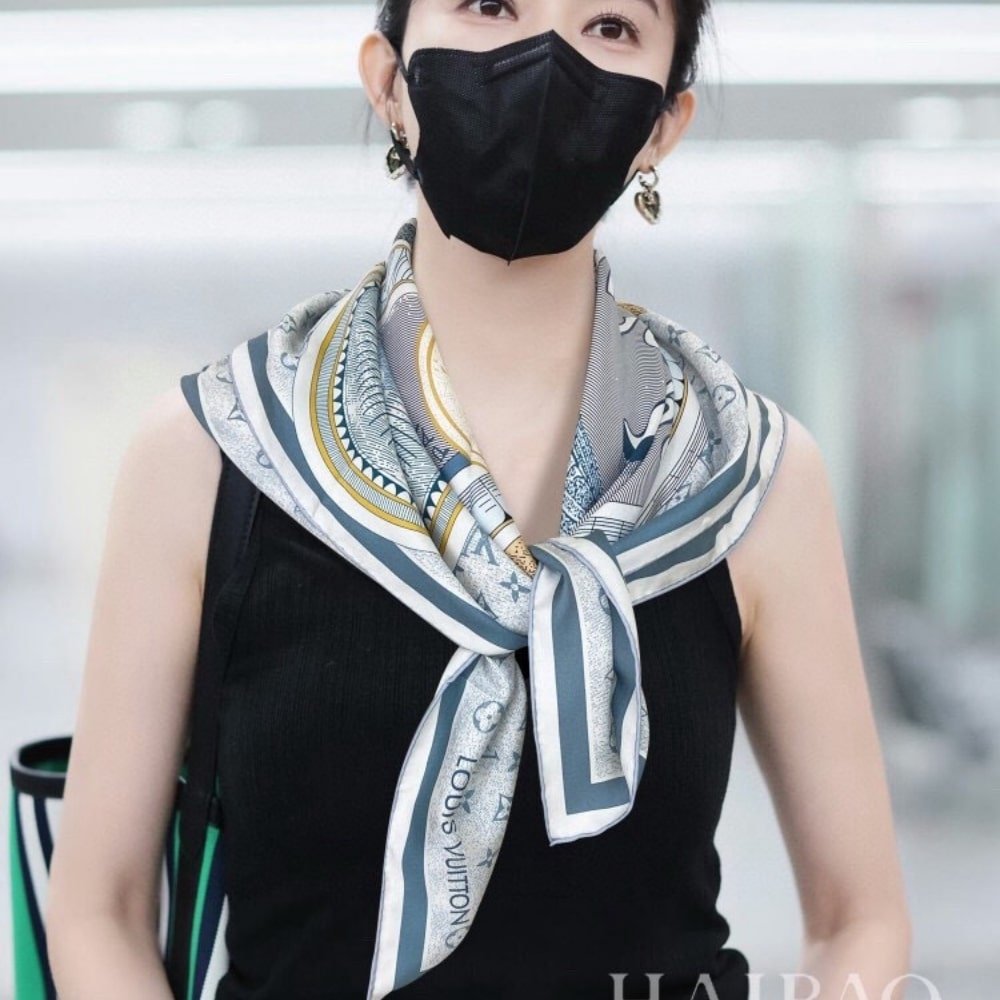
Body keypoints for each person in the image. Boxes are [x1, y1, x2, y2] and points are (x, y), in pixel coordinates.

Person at [46, 0, 912, 996]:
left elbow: (861, 917)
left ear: (662, 126)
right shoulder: (216, 449)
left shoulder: (750, 472)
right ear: (388, 80)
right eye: (490, 4)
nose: (543, 59)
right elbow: (100, 909)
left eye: (611, 26)